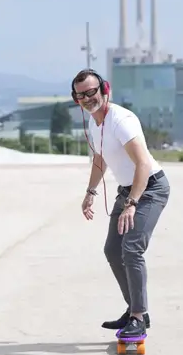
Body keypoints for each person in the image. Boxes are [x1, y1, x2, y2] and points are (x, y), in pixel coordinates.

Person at [71, 68, 171, 338]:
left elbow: (142, 164)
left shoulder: (121, 120)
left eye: (92, 92)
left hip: (149, 188)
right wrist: (90, 192)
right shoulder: (95, 123)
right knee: (112, 250)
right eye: (81, 95)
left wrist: (132, 204)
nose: (87, 98)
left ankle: (138, 317)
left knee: (132, 249)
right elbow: (100, 159)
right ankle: (134, 310)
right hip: (128, 190)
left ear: (104, 90)